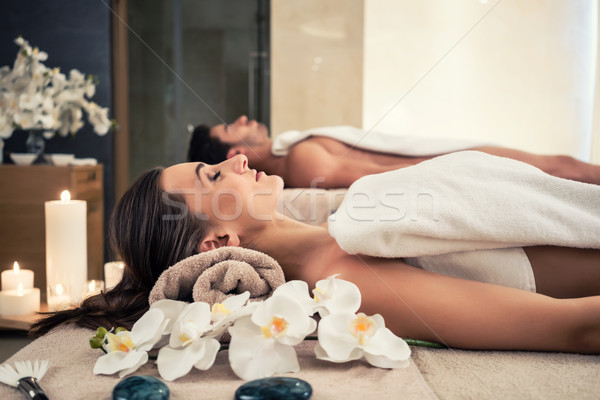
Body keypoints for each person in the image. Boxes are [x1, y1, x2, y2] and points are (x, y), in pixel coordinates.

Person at [31, 154, 600, 354]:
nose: (233, 161)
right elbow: (575, 329)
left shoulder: (334, 222)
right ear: (219, 244)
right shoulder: (346, 272)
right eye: (213, 175)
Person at [188, 115, 600, 187]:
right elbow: (386, 174)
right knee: (564, 168)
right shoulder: (302, 159)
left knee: (565, 166)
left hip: (451, 154)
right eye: (231, 127)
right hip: (451, 161)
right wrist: (469, 164)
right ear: (235, 151)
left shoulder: (294, 149)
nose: (242, 118)